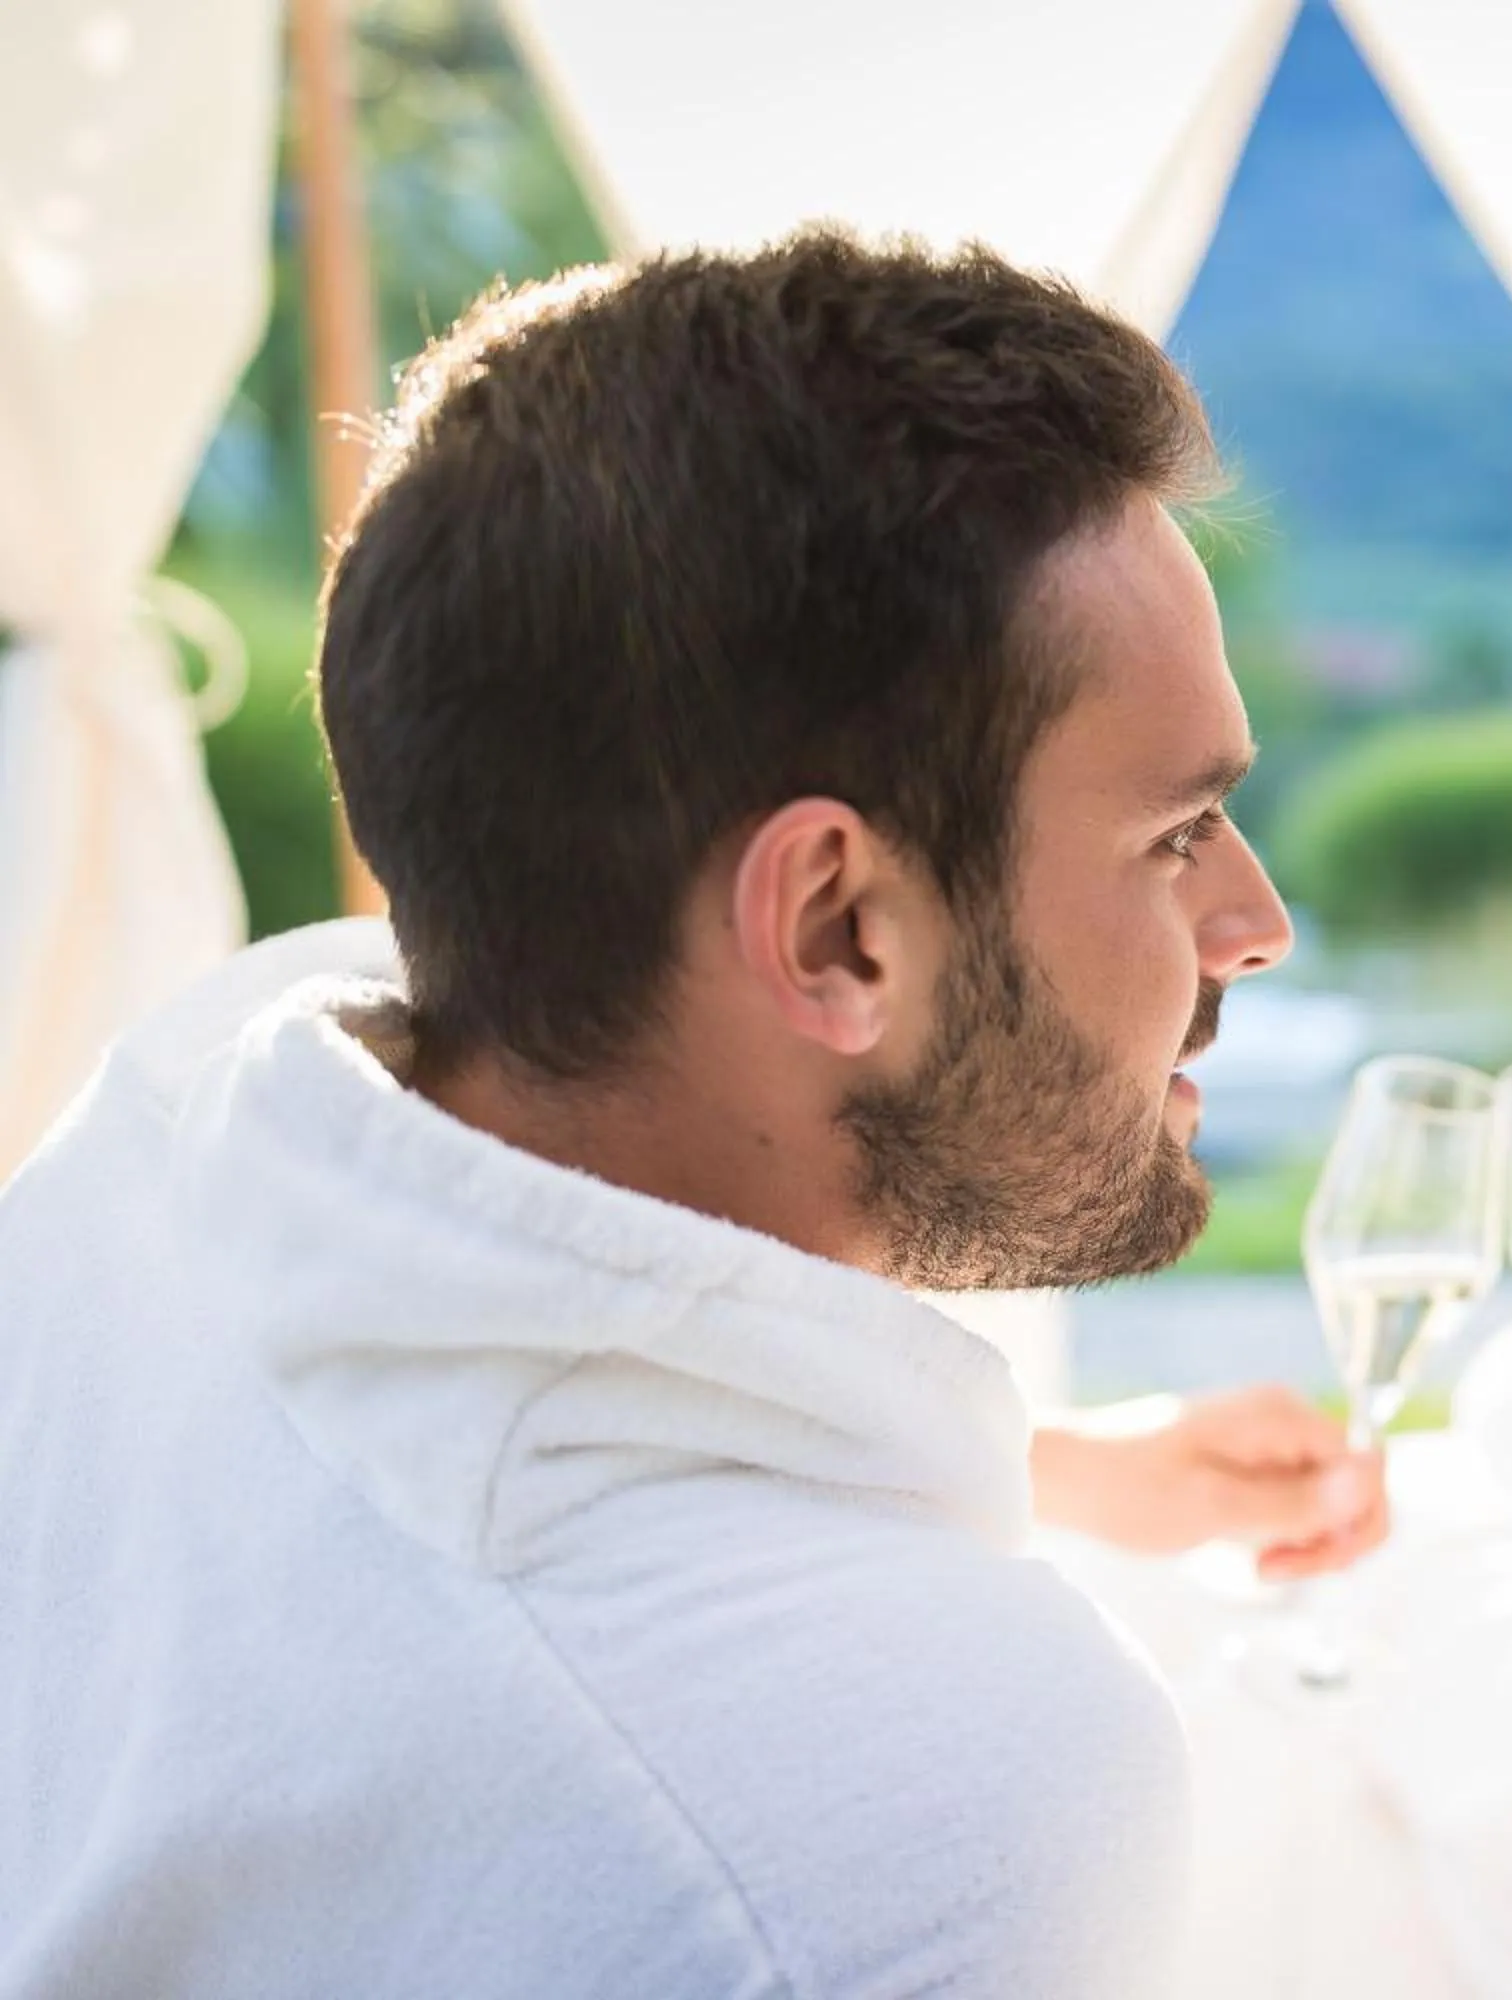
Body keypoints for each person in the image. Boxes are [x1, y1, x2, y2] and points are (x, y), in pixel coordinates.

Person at [0, 231, 1380, 1998]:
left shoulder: (197, 1101)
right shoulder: (946, 1789)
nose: (1253, 922)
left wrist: (1056, 1475)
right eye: (1176, 834)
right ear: (834, 925)